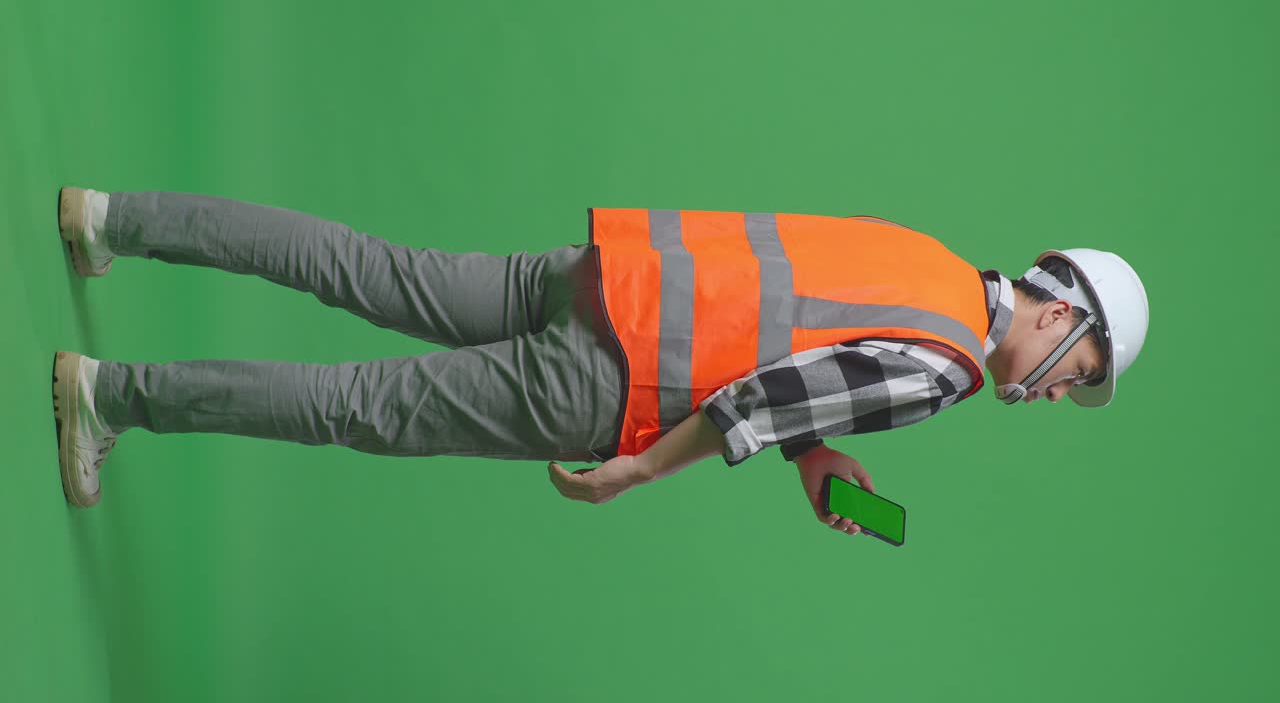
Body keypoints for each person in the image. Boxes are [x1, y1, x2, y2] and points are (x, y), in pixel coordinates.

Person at [52, 189, 1149, 541]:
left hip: (608, 277)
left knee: (362, 267)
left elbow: (788, 325)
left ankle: (109, 220)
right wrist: (638, 470)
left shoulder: (934, 266)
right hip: (614, 383)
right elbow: (761, 393)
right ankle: (105, 395)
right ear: (1060, 310)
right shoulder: (947, 368)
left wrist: (810, 458)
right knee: (358, 406)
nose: (1060, 389)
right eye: (1080, 362)